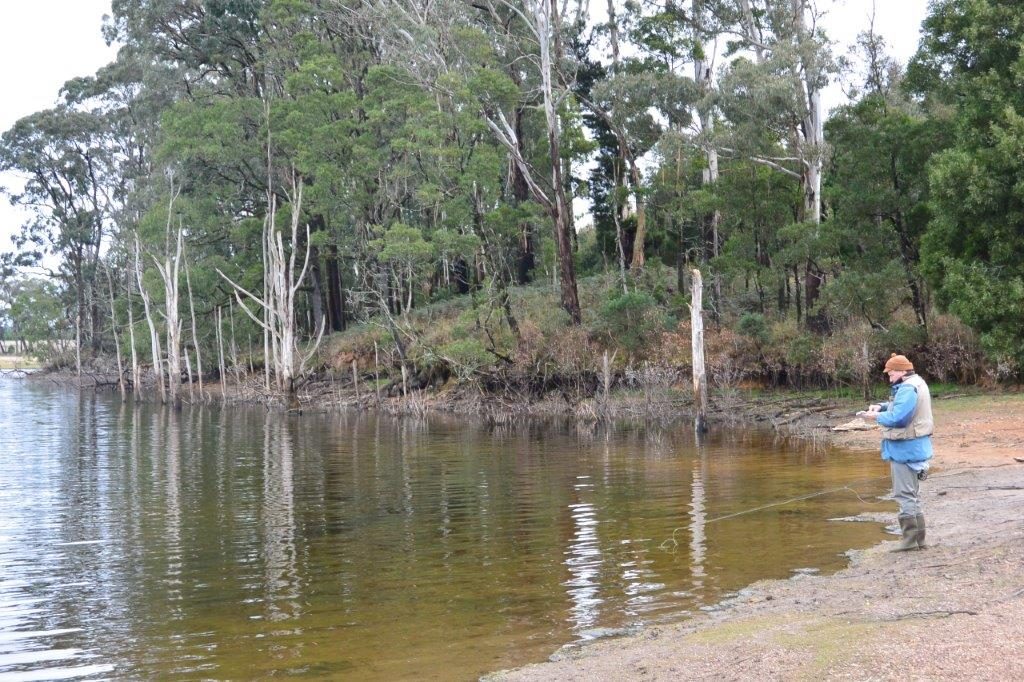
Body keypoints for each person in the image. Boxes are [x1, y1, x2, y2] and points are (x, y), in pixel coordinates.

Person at [857, 353, 933, 551]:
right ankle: (919, 540)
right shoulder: (916, 383)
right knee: (912, 495)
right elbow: (901, 407)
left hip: (906, 450)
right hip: (914, 448)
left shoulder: (908, 388)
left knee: (904, 495)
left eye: (890, 373)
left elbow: (899, 418)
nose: (888, 377)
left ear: (901, 371)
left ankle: (909, 542)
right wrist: (881, 406)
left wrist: (875, 416)